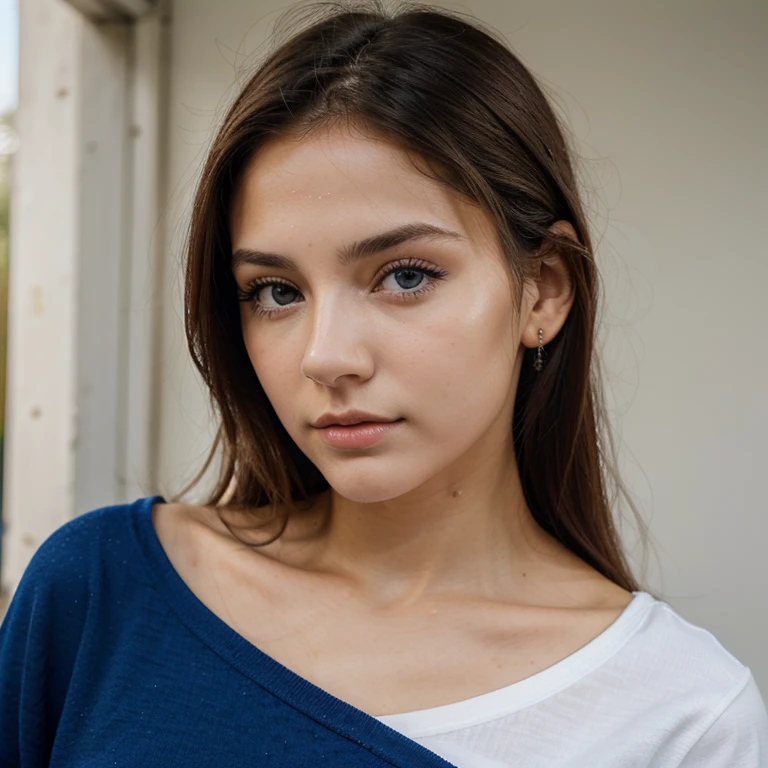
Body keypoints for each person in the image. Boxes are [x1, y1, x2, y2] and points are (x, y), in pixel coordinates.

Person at [2, 1, 767, 765]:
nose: (326, 357)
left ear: (543, 290)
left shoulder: (679, 713)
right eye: (276, 291)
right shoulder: (99, 594)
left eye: (405, 276)